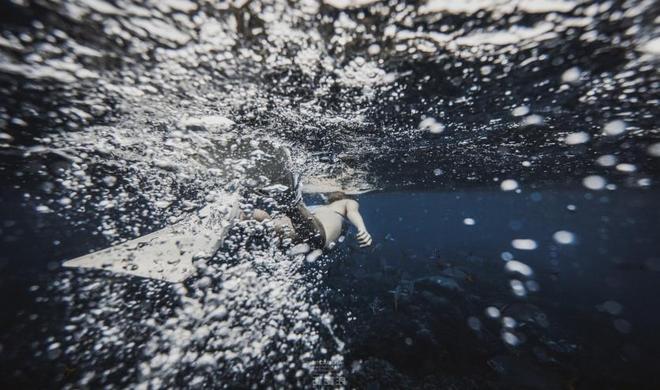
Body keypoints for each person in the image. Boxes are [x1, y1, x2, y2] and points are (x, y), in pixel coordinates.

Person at [251, 189, 373, 250]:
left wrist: (362, 228)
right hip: (313, 235)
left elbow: (353, 212)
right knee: (272, 223)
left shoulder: (345, 202)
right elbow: (353, 212)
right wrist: (361, 228)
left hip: (312, 231)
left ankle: (241, 212)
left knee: (269, 222)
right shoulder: (335, 205)